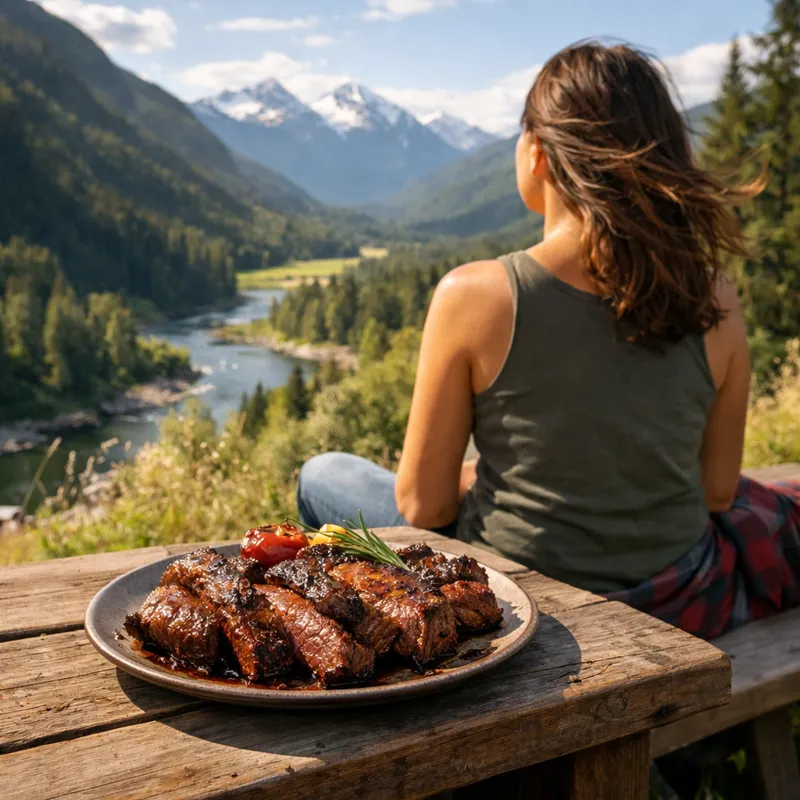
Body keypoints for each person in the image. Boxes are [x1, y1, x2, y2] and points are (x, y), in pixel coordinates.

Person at [298, 41, 800, 642]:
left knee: (322, 475)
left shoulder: (475, 295)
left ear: (536, 151)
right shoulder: (716, 298)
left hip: (525, 604)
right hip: (681, 596)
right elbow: (718, 492)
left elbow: (424, 508)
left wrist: (478, 476)